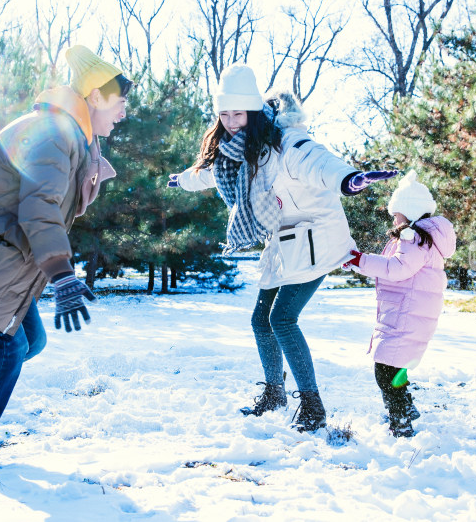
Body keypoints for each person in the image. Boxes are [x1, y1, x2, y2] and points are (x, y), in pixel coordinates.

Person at [0, 45, 132, 471]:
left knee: (30, 341)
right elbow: (41, 208)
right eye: (120, 101)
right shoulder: (54, 133)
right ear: (94, 96)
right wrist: (61, 273)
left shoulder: (71, 136)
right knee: (8, 346)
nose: (125, 111)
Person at [167, 64, 397, 433]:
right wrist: (183, 179)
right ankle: (275, 393)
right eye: (224, 113)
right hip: (284, 241)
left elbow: (319, 162)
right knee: (261, 321)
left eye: (237, 113)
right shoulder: (238, 150)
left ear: (254, 111)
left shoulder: (286, 142)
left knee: (282, 319)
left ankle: (312, 406)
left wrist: (350, 179)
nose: (230, 121)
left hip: (317, 239)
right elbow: (210, 173)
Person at [344, 171, 456, 437]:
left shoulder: (412, 237)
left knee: (385, 371)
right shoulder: (423, 238)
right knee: (394, 366)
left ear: (409, 211)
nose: (393, 218)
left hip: (406, 314)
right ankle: (404, 406)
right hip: (411, 312)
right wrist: (361, 263)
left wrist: (360, 260)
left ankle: (401, 422)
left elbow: (396, 269)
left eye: (396, 213)